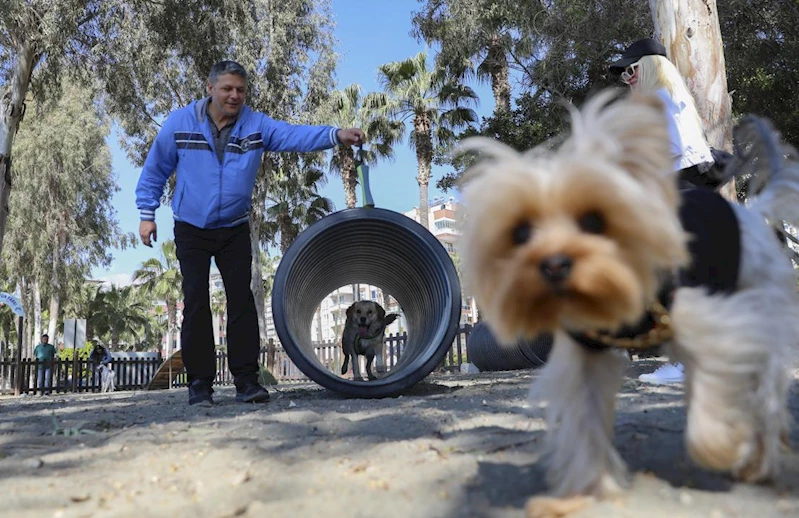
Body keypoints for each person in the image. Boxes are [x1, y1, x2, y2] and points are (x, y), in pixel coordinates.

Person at [136, 60, 364, 406]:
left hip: (233, 226)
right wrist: (147, 214)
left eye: (240, 90)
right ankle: (199, 383)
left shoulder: (255, 125)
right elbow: (155, 169)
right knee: (196, 300)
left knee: (241, 301)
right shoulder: (180, 123)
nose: (234, 96)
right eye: (227, 88)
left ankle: (246, 381)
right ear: (209, 88)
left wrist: (336, 135)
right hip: (191, 227)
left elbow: (293, 135)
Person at [609, 38, 716, 385]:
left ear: (652, 66)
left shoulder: (657, 99)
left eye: (631, 69)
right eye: (623, 73)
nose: (627, 78)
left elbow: (668, 149)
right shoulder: (675, 98)